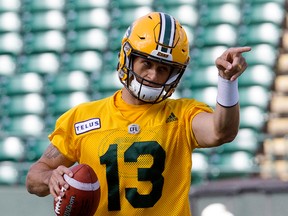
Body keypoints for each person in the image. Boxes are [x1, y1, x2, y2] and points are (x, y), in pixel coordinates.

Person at [26, 12, 251, 215]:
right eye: (147, 63)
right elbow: (34, 176)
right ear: (128, 57)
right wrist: (50, 178)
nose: (153, 75)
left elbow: (222, 131)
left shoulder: (183, 115)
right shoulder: (81, 117)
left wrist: (227, 82)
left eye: (163, 69)